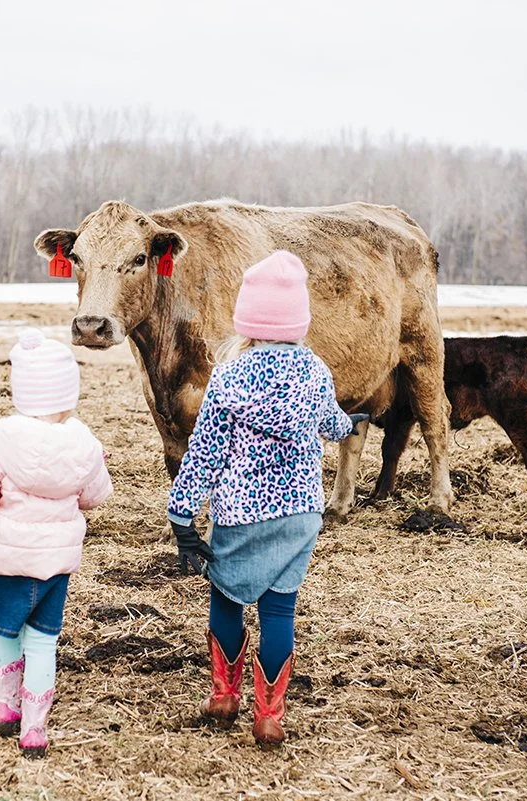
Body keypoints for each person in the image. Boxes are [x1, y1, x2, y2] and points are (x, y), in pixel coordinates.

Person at [167, 250, 368, 747]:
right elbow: (331, 423)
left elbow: (206, 452)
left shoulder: (230, 376)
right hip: (300, 514)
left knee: (227, 599)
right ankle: (270, 716)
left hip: (239, 515)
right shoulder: (315, 371)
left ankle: (224, 695)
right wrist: (351, 425)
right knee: (280, 611)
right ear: (299, 319)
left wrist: (182, 513)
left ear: (247, 320)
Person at [0, 328, 112, 758]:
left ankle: (5, 709)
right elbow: (95, 497)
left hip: (3, 564)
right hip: (53, 568)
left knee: (5, 635)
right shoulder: (83, 444)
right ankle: (34, 730)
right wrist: (96, 465)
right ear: (66, 395)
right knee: (42, 644)